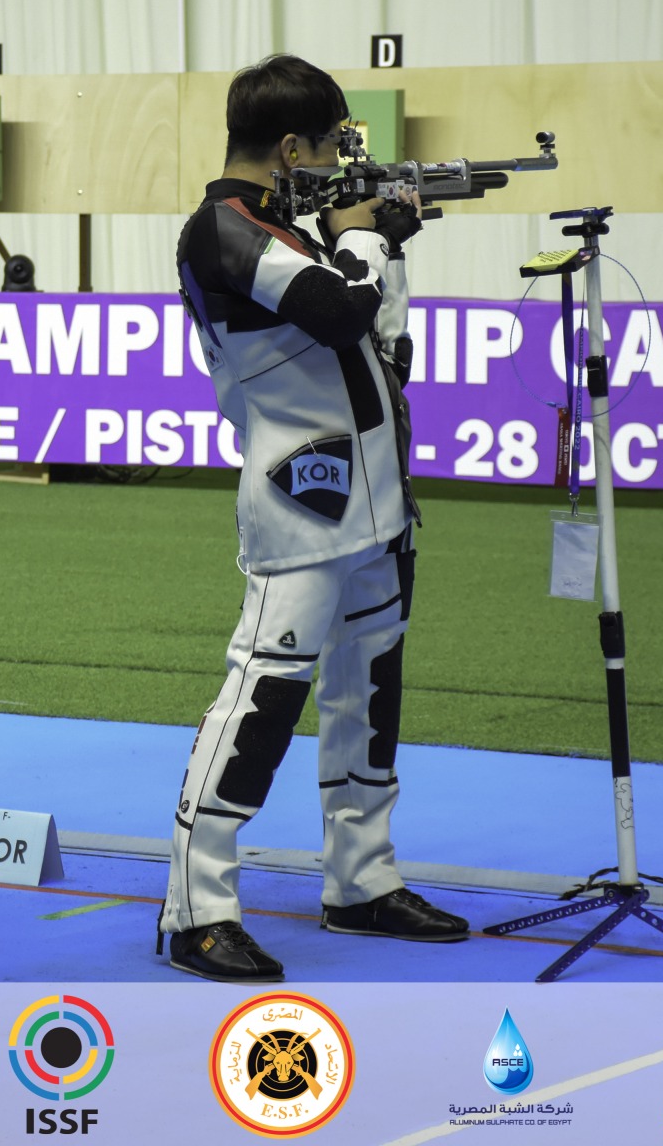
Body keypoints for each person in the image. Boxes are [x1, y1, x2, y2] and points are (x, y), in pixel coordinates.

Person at [159, 55, 468, 979]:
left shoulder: (288, 225)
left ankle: (361, 884)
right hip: (302, 502)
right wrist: (362, 237)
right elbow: (337, 312)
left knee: (367, 698)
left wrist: (386, 246)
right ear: (291, 147)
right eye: (334, 144)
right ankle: (195, 910)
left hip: (375, 500)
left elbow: (383, 342)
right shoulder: (223, 230)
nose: (342, 160)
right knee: (261, 702)